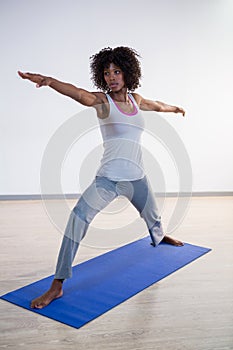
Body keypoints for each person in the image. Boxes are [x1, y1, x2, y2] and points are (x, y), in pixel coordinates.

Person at [18, 46, 185, 309]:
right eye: (107, 73)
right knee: (77, 218)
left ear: (128, 73)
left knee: (152, 214)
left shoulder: (136, 100)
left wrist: (174, 108)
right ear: (102, 76)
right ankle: (58, 284)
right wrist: (49, 82)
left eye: (117, 71)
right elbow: (79, 94)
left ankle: (159, 235)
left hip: (137, 177)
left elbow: (156, 105)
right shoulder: (102, 102)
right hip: (108, 180)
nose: (111, 77)